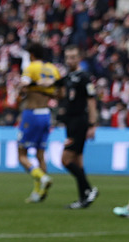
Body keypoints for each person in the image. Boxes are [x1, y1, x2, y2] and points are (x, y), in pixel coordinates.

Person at [17, 43, 59, 204]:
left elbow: (24, 84)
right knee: (40, 154)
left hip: (32, 114)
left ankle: (43, 178)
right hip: (46, 114)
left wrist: (24, 88)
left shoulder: (31, 68)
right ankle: (38, 193)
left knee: (22, 154)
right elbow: (59, 91)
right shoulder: (52, 69)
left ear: (32, 55)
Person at [57, 45, 99, 209]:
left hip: (79, 123)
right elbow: (55, 87)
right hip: (70, 123)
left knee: (66, 160)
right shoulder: (68, 77)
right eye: (67, 57)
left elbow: (92, 102)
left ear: (79, 58)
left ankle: (89, 189)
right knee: (78, 162)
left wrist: (92, 125)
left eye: (73, 57)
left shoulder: (84, 77)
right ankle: (83, 198)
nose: (70, 60)